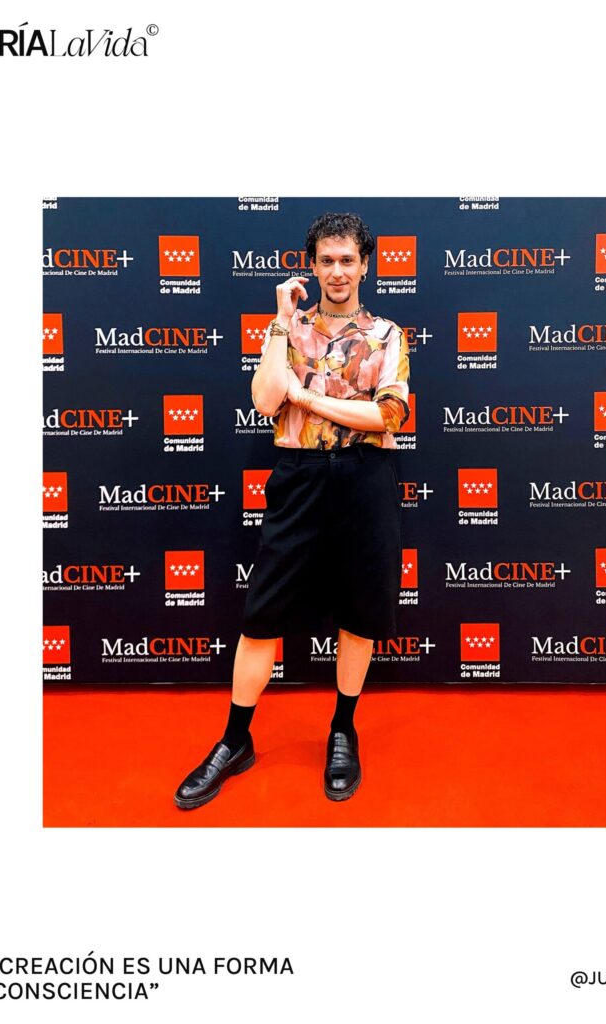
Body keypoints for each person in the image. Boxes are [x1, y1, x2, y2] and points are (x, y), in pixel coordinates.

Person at [174, 211, 410, 809]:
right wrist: (280, 323)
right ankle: (234, 741)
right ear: (312, 266)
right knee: (261, 615)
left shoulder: (387, 335)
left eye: (348, 259)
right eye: (326, 260)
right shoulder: (288, 330)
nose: (337, 271)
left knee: (360, 615)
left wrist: (304, 397)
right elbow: (263, 402)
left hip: (365, 479)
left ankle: (343, 730)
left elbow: (387, 417)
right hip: (298, 476)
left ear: (365, 265)